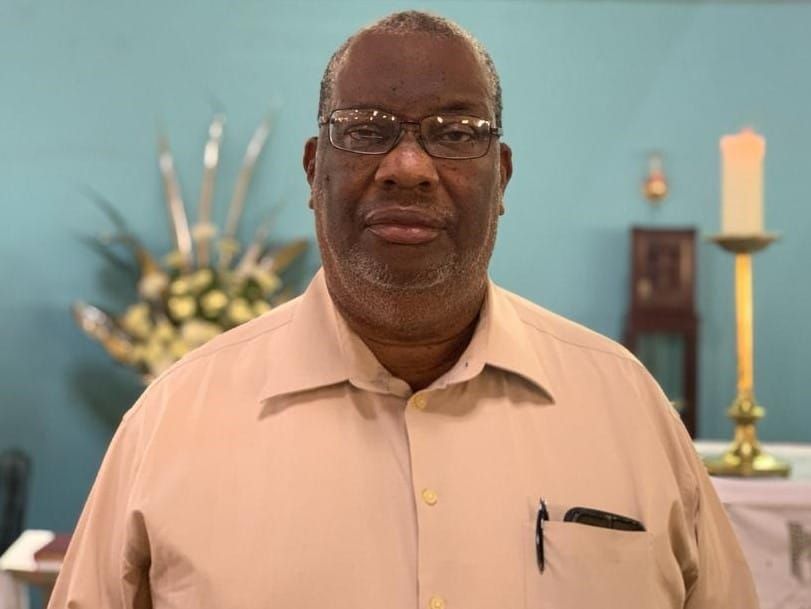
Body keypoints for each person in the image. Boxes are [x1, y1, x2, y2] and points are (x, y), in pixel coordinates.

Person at [49, 11, 759, 609]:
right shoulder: (174, 421)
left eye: (455, 133)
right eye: (365, 128)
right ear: (312, 169)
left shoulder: (622, 407)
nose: (408, 166)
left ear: (501, 176)